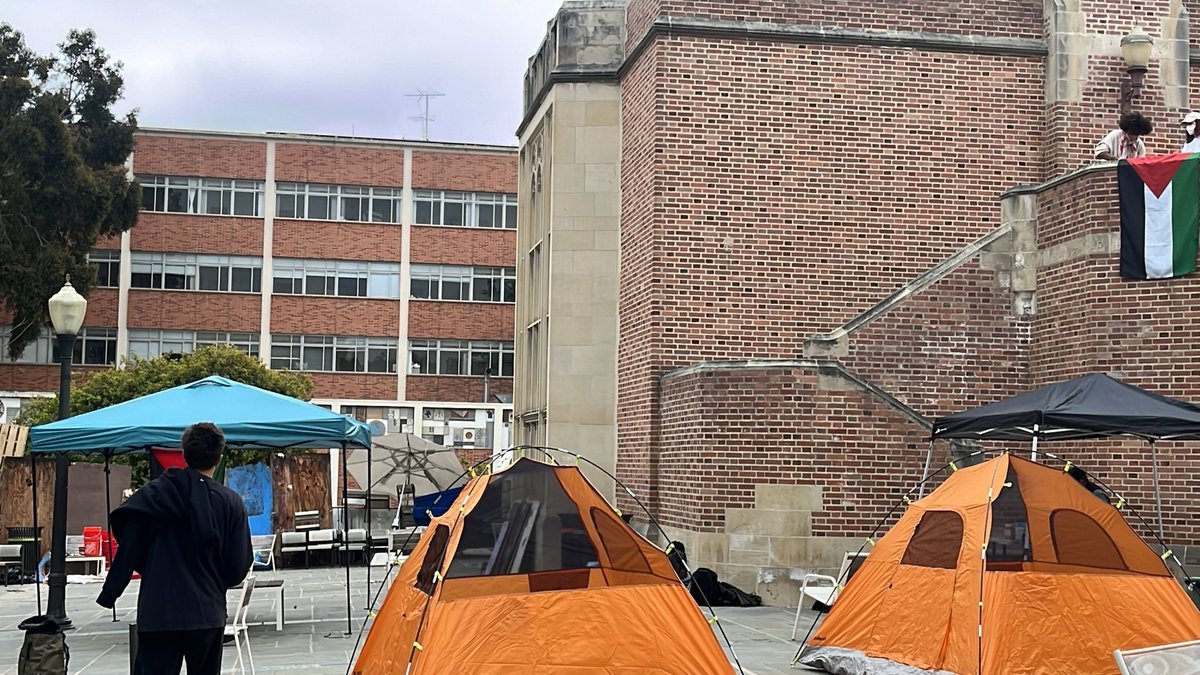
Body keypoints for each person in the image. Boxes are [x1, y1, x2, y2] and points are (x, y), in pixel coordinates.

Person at [97, 422, 252, 675]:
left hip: (158, 611)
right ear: (219, 458)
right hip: (206, 611)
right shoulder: (229, 501)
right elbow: (237, 568)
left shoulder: (151, 496)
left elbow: (130, 544)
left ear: (184, 454)